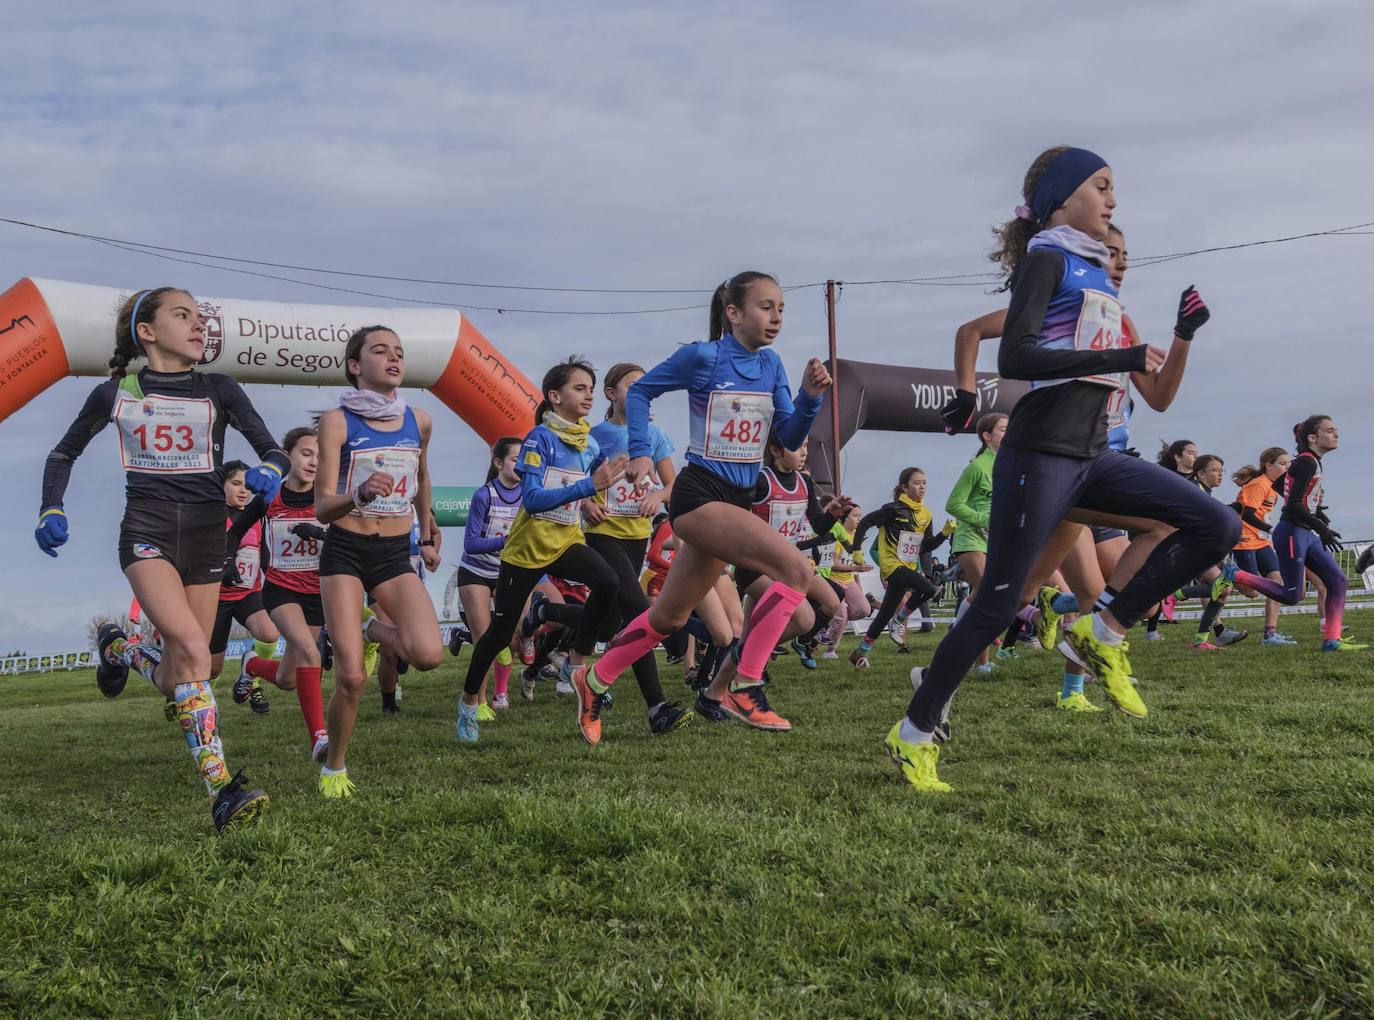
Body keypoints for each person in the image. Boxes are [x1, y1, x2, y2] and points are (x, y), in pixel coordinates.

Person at [885, 146, 1237, 792]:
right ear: (1061, 198)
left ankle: (1103, 633)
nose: (1113, 199)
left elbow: (1154, 393)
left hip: (1094, 458)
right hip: (1039, 454)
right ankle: (914, 732)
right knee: (996, 608)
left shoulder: (1099, 279)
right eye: (1102, 186)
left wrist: (1179, 337)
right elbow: (1016, 358)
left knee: (1214, 523)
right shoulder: (1048, 259)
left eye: (1113, 189)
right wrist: (1126, 350)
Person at [35, 286, 281, 832]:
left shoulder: (219, 389)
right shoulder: (115, 393)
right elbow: (62, 452)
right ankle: (222, 791)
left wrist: (272, 467)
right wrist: (51, 506)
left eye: (201, 318)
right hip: (146, 536)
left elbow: (273, 448)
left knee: (182, 675)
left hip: (205, 543)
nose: (199, 326)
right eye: (183, 316)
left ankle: (118, 648)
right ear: (147, 332)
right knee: (195, 649)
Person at [574, 271, 830, 734]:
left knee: (668, 617)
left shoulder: (772, 366)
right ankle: (743, 685)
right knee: (797, 572)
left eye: (781, 309)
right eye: (765, 306)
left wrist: (809, 399)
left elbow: (788, 438)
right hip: (699, 496)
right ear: (733, 314)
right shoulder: (703, 357)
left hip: (737, 498)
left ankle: (593, 677)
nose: (776, 317)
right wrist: (638, 450)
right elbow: (643, 391)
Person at [455, 357, 629, 745]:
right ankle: (469, 701)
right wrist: (586, 490)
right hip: (526, 550)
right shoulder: (539, 439)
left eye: (590, 388)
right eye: (579, 388)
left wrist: (591, 502)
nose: (588, 395)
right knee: (499, 634)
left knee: (608, 583)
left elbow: (592, 476)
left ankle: (576, 666)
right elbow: (532, 500)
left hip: (566, 541)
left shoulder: (589, 443)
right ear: (555, 396)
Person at [313, 326, 444, 797]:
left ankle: (369, 628)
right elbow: (321, 507)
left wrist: (427, 528)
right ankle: (334, 768)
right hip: (346, 552)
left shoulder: (420, 420)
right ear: (355, 365)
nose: (393, 358)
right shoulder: (337, 422)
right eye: (380, 351)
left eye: (399, 353)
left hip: (393, 553)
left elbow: (424, 476)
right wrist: (358, 493)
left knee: (428, 654)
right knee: (351, 676)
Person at [585, 362, 693, 734]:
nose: (642, 391)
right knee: (638, 612)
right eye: (633, 385)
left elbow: (672, 485)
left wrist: (658, 496)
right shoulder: (594, 435)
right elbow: (574, 479)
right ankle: (657, 709)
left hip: (637, 536)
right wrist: (586, 503)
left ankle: (549, 620)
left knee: (607, 623)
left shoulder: (655, 434)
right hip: (602, 533)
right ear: (611, 394)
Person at [228, 427, 331, 759]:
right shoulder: (270, 498)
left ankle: (252, 665)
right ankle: (319, 738)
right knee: (310, 653)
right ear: (287, 456)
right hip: (281, 591)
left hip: (317, 593)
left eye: (320, 455)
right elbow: (236, 530)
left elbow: (349, 541)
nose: (314, 461)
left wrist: (319, 533)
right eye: (306, 453)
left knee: (288, 678)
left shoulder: (328, 497)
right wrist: (229, 561)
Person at [1232, 416, 1366, 652]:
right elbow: (1293, 505)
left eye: (1336, 430)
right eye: (1330, 430)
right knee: (1292, 595)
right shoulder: (1306, 462)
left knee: (1338, 581)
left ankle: (1332, 640)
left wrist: (1316, 512)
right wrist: (1322, 527)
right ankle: (1234, 573)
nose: (1336, 434)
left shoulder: (1311, 460)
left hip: (1304, 531)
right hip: (1292, 532)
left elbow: (1281, 486)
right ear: (1313, 438)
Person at [848, 468, 946, 668]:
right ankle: (899, 620)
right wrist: (856, 549)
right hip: (892, 566)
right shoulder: (892, 509)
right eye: (917, 483)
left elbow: (925, 546)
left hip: (907, 565)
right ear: (904, 486)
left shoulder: (926, 515)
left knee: (884, 613)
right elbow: (866, 522)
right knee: (929, 588)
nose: (922, 487)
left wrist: (944, 534)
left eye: (924, 483)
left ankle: (860, 652)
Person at [456, 437, 524, 712]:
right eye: (515, 458)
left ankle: (502, 691)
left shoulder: (529, 494)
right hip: (475, 571)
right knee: (485, 639)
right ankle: (479, 702)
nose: (521, 464)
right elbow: (470, 544)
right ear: (498, 463)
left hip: (508, 571)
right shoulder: (484, 495)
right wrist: (505, 541)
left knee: (512, 637)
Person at [211, 460, 282, 715]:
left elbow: (263, 553)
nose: (243, 490)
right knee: (213, 669)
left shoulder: (255, 515)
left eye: (247, 485)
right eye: (236, 484)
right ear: (222, 485)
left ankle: (251, 676)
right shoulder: (212, 515)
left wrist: (275, 583)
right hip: (216, 599)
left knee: (270, 633)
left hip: (248, 594)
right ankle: (204, 706)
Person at [945, 414, 1006, 671]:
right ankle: (981, 663)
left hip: (995, 538)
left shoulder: (1008, 465)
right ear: (987, 436)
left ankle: (960, 631)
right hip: (970, 537)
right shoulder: (977, 466)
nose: (1009, 434)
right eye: (1003, 430)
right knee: (986, 593)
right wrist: (983, 518)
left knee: (987, 595)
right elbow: (953, 504)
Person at [1231, 448, 1294, 645]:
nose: (1287, 467)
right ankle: (1228, 574)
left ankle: (1270, 634)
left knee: (1278, 584)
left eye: (1288, 463)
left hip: (1262, 541)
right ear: (1268, 465)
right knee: (1253, 592)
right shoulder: (1258, 485)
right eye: (1283, 463)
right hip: (1246, 540)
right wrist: (1271, 529)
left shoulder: (1274, 486)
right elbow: (1247, 514)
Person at [820, 506, 873, 658]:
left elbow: (856, 562)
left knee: (864, 609)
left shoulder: (858, 535)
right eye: (855, 516)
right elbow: (834, 565)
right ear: (844, 518)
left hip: (849, 581)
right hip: (833, 580)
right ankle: (830, 650)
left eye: (860, 515)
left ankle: (827, 620)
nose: (859, 519)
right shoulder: (837, 535)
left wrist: (858, 583)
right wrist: (856, 567)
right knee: (841, 615)